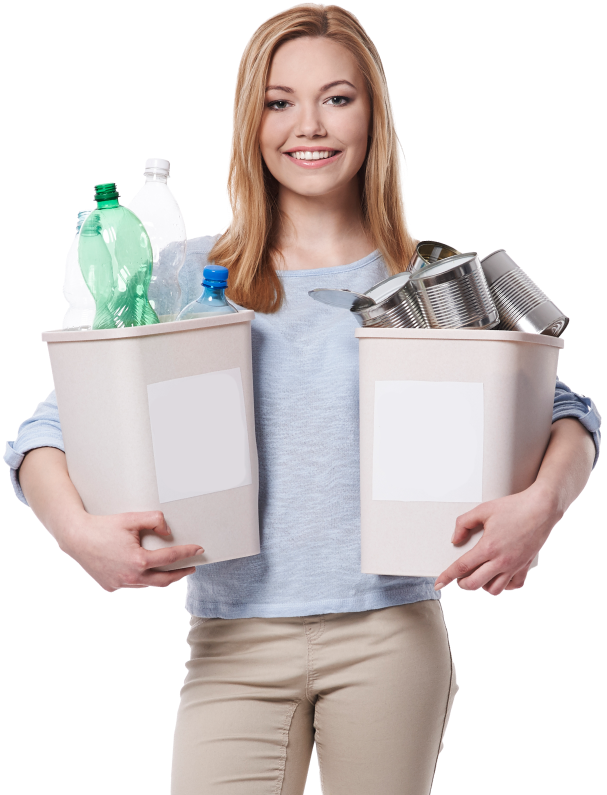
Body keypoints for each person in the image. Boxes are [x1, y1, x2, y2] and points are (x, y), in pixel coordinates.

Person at [4, 4, 601, 794]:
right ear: (249, 121)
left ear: (373, 116)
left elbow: (565, 409)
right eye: (279, 101)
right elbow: (50, 427)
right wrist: (78, 533)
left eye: (338, 97)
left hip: (391, 633)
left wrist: (541, 508)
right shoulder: (187, 276)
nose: (308, 126)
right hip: (232, 640)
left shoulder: (432, 275)